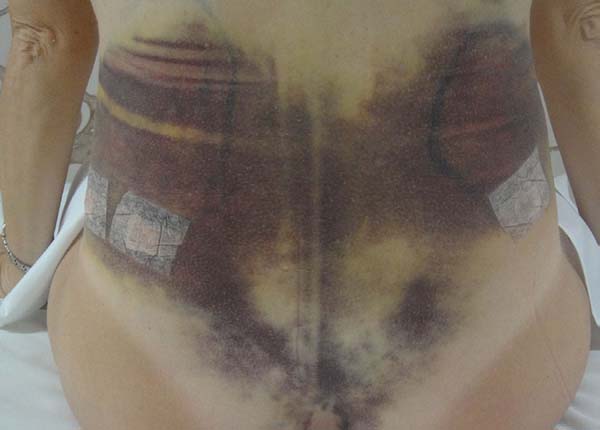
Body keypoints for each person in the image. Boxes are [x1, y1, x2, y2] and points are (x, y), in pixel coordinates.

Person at [0, 0, 598, 429]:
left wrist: (19, 266)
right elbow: (576, 30)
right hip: (492, 386)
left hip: (150, 392)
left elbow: (43, 42)